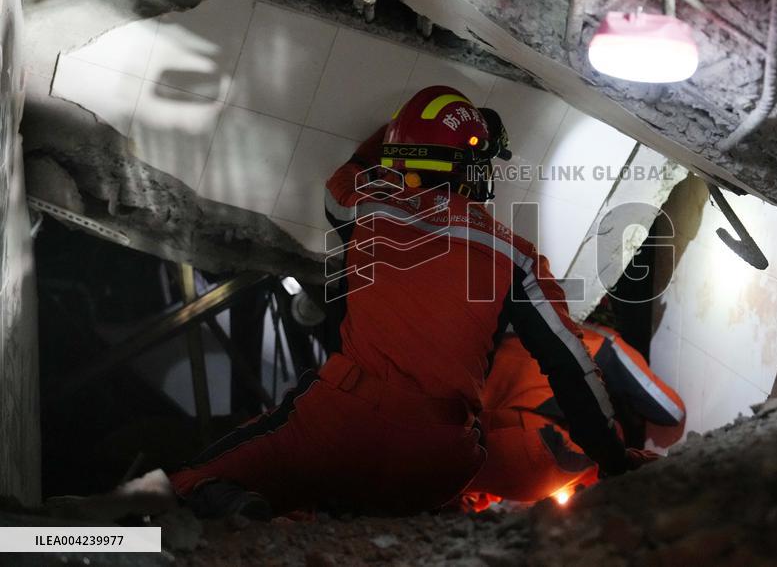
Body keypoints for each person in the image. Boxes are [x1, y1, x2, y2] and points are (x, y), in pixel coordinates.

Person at [168, 85, 654, 518]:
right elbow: (571, 368)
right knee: (388, 484)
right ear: (474, 168)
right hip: (437, 463)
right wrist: (615, 460)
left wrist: (400, 132)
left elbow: (348, 173)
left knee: (191, 481)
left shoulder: (368, 208)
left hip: (338, 428)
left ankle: (213, 504)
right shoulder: (516, 256)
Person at [462, 324, 685, 510]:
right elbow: (671, 410)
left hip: (472, 454)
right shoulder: (597, 341)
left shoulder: (512, 337)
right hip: (541, 451)